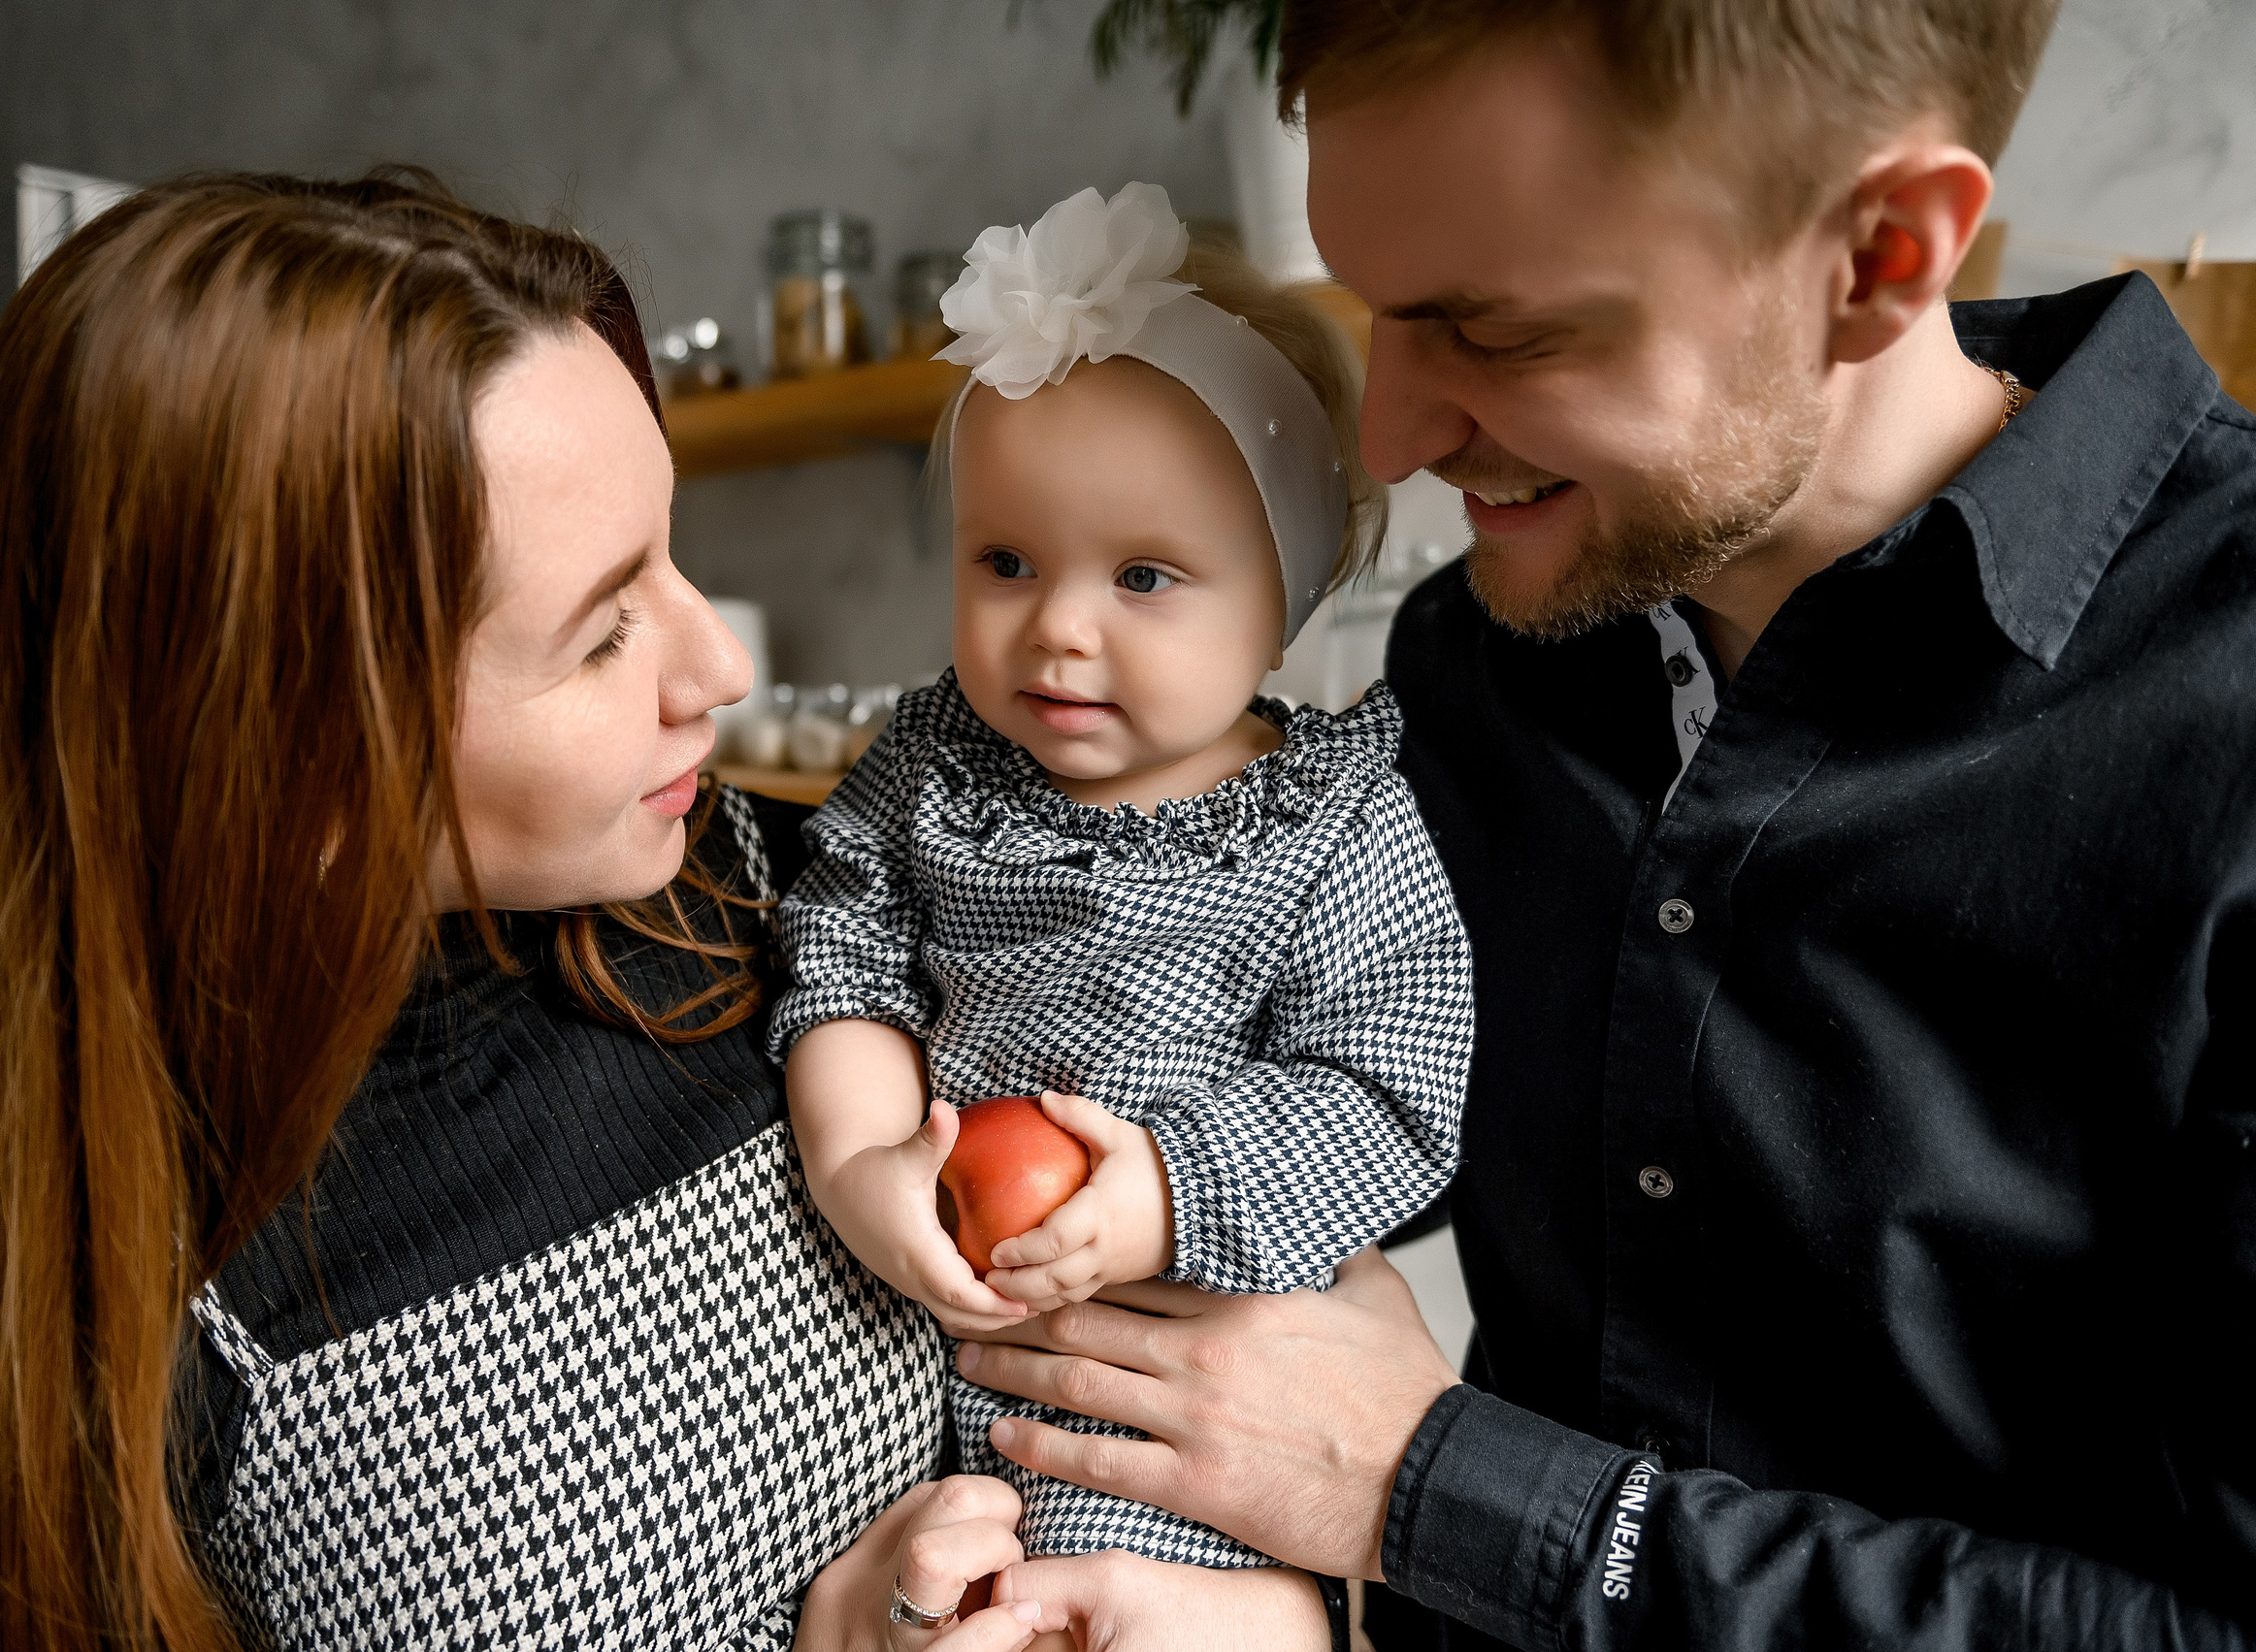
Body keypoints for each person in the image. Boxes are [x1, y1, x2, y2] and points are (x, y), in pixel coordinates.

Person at [954, 2, 2256, 1648]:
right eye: (1375, 312)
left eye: (1497, 334)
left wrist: (1423, 1488)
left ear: (1877, 254)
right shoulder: (1468, 664)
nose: (1392, 441)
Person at [0, 170, 1063, 1652]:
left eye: (673, 551)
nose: (718, 668)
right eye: (602, 632)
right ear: (301, 756)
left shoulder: (800, 915)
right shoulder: (50, 1331)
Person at [770, 178, 1472, 1591]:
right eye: (1006, 562)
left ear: (1285, 593)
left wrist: (1162, 1185)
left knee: (1114, 1588)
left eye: (1145, 577)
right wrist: (856, 1163)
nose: (1059, 630)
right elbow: (838, 940)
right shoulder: (935, 764)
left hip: (1174, 1358)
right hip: (918, 1319)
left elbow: (1392, 1083)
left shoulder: (1331, 822)